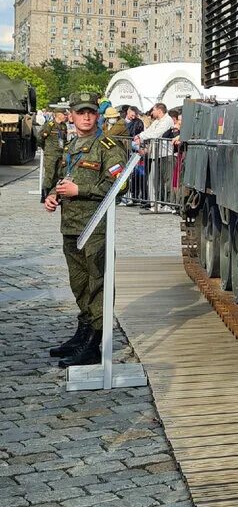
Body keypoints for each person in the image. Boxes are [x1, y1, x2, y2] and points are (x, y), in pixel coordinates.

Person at [43, 91, 127, 366]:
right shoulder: (71, 146)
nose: (86, 116)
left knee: (97, 284)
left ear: (98, 115)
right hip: (71, 226)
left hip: (95, 227)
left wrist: (82, 189)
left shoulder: (107, 146)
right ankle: (85, 331)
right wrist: (55, 195)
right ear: (72, 115)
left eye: (91, 111)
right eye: (81, 112)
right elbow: (62, 177)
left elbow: (120, 184)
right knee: (79, 284)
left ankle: (95, 343)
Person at [37, 100, 71, 202]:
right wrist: (46, 148)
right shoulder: (50, 125)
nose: (65, 116)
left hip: (61, 154)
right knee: (49, 175)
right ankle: (45, 196)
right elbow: (39, 138)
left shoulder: (63, 126)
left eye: (66, 114)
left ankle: (55, 195)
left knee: (59, 174)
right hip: (51, 154)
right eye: (63, 114)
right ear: (57, 114)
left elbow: (64, 140)